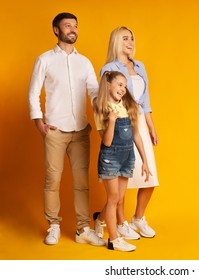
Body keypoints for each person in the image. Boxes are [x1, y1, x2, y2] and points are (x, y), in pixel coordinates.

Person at [27, 12, 105, 246]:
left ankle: (83, 229)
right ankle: (53, 225)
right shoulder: (45, 59)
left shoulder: (85, 62)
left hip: (80, 130)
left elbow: (94, 91)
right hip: (55, 130)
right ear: (56, 30)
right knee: (52, 180)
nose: (73, 29)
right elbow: (33, 92)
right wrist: (39, 123)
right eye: (67, 25)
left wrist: (107, 106)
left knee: (82, 182)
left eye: (75, 26)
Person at [94, 26, 159, 239]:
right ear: (115, 41)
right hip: (121, 122)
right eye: (125, 39)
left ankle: (138, 218)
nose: (130, 42)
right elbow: (105, 99)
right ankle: (120, 222)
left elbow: (145, 100)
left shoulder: (140, 66)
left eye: (132, 38)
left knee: (149, 176)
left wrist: (150, 126)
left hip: (138, 121)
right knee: (123, 176)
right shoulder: (109, 68)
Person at [94, 71, 151, 252]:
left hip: (127, 157)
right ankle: (114, 240)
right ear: (108, 85)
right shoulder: (102, 108)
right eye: (119, 84)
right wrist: (111, 121)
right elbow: (107, 142)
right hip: (110, 158)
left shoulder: (127, 105)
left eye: (125, 86)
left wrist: (145, 160)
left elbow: (136, 135)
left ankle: (100, 220)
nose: (123, 89)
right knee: (113, 199)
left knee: (118, 199)